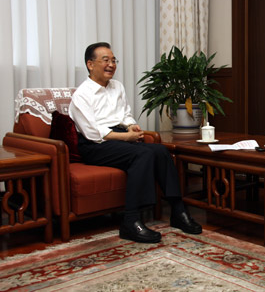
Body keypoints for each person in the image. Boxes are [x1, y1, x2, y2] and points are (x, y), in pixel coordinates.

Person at [69, 42, 202, 243]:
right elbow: (93, 133)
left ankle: (178, 211)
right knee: (144, 154)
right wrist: (126, 137)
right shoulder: (81, 95)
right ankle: (130, 221)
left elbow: (125, 115)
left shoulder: (117, 86)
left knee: (160, 151)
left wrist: (132, 127)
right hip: (95, 145)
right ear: (90, 64)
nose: (111, 64)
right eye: (105, 60)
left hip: (119, 138)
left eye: (114, 60)